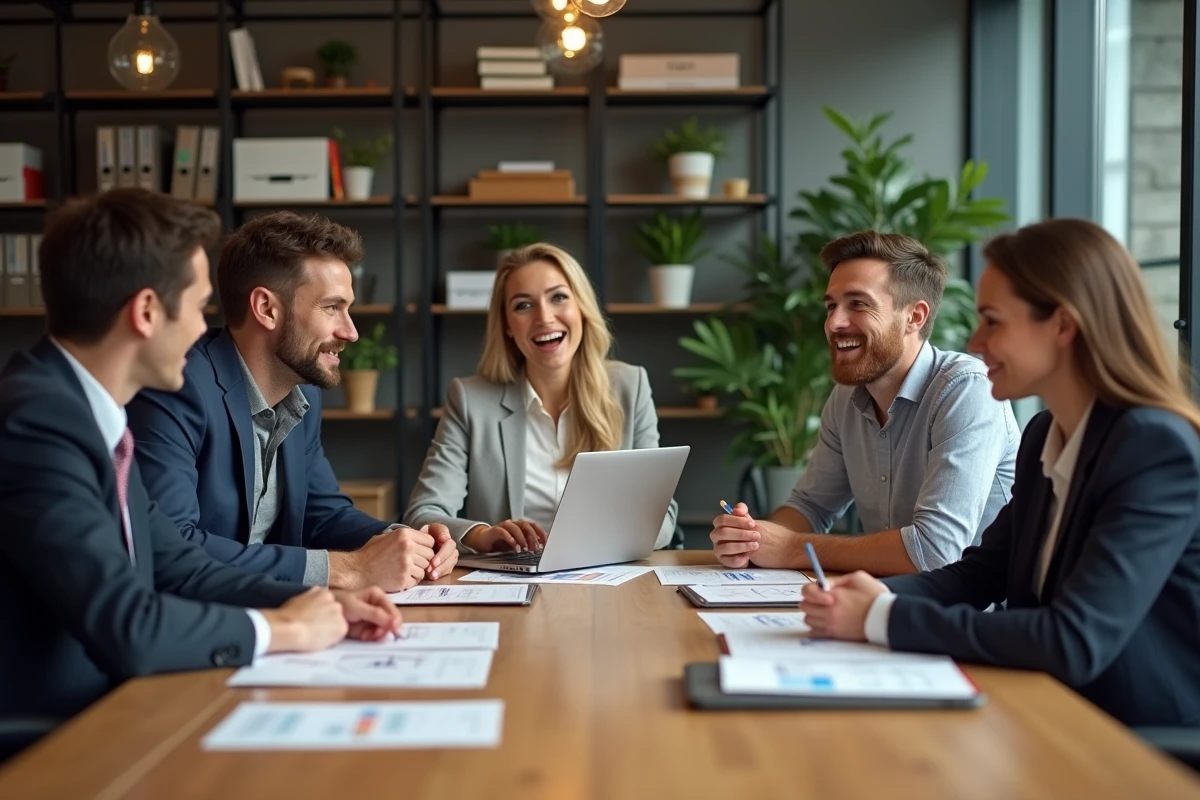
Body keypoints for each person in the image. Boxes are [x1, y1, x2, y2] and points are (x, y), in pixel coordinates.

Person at [0, 189, 402, 727]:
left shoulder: (88, 414)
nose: (201, 331)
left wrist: (323, 604)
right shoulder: (37, 421)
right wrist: (284, 630)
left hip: (122, 705)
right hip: (61, 732)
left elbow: (179, 566)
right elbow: (130, 624)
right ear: (146, 312)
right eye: (195, 306)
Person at [800, 218, 1200, 728]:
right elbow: (981, 572)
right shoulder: (1043, 435)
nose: (976, 339)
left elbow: (1074, 639)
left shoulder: (1152, 447)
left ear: (1061, 325)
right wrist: (870, 595)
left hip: (1132, 740)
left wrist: (883, 617)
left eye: (992, 320)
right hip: (1046, 708)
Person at [126, 211, 457, 591]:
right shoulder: (177, 388)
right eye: (332, 307)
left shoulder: (303, 394)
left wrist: (407, 542)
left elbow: (323, 515)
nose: (350, 332)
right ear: (267, 309)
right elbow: (172, 549)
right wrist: (347, 570)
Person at [711, 231, 1019, 575]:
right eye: (831, 306)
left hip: (976, 619)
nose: (833, 323)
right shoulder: (847, 397)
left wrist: (789, 547)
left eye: (858, 304)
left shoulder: (967, 389)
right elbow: (810, 507)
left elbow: (934, 551)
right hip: (887, 606)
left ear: (914, 317)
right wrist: (751, 540)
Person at [404, 243, 679, 552]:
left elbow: (662, 515)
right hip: (512, 586)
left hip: (605, 583)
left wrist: (597, 541)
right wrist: (482, 535)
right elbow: (423, 513)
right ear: (507, 325)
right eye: (523, 305)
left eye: (558, 297)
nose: (545, 318)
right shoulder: (470, 400)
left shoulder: (631, 386)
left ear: (582, 307)